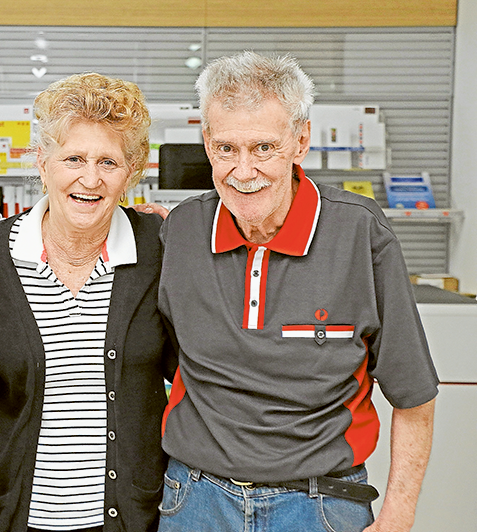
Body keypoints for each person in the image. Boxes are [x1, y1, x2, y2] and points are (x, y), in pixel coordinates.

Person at [156, 51, 438, 532]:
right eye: (226, 148)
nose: (243, 171)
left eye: (263, 147)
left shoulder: (360, 233)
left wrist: (398, 514)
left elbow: (413, 395)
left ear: (300, 140)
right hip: (195, 501)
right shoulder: (179, 231)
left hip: (321, 504)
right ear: (206, 143)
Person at [0, 73, 177, 532]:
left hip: (132, 517)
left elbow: (196, 374)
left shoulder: (160, 252)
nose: (90, 178)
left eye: (109, 161)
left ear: (132, 172)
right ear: (42, 162)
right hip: (14, 516)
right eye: (74, 158)